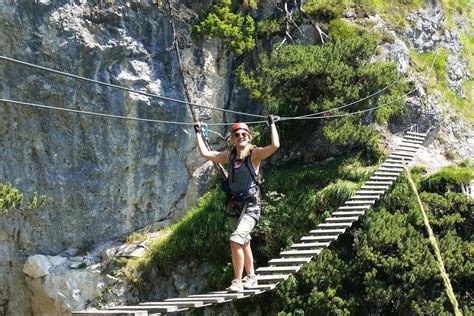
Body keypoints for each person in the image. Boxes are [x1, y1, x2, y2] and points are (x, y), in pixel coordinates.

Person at [194, 116, 280, 292]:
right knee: (244, 242)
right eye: (237, 134)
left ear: (248, 137)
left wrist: (272, 125)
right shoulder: (230, 156)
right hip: (234, 206)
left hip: (251, 206)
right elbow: (205, 154)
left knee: (235, 240)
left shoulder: (254, 154)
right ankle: (252, 278)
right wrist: (198, 133)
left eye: (244, 134)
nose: (241, 136)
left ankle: (238, 281)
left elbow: (275, 146)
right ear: (232, 139)